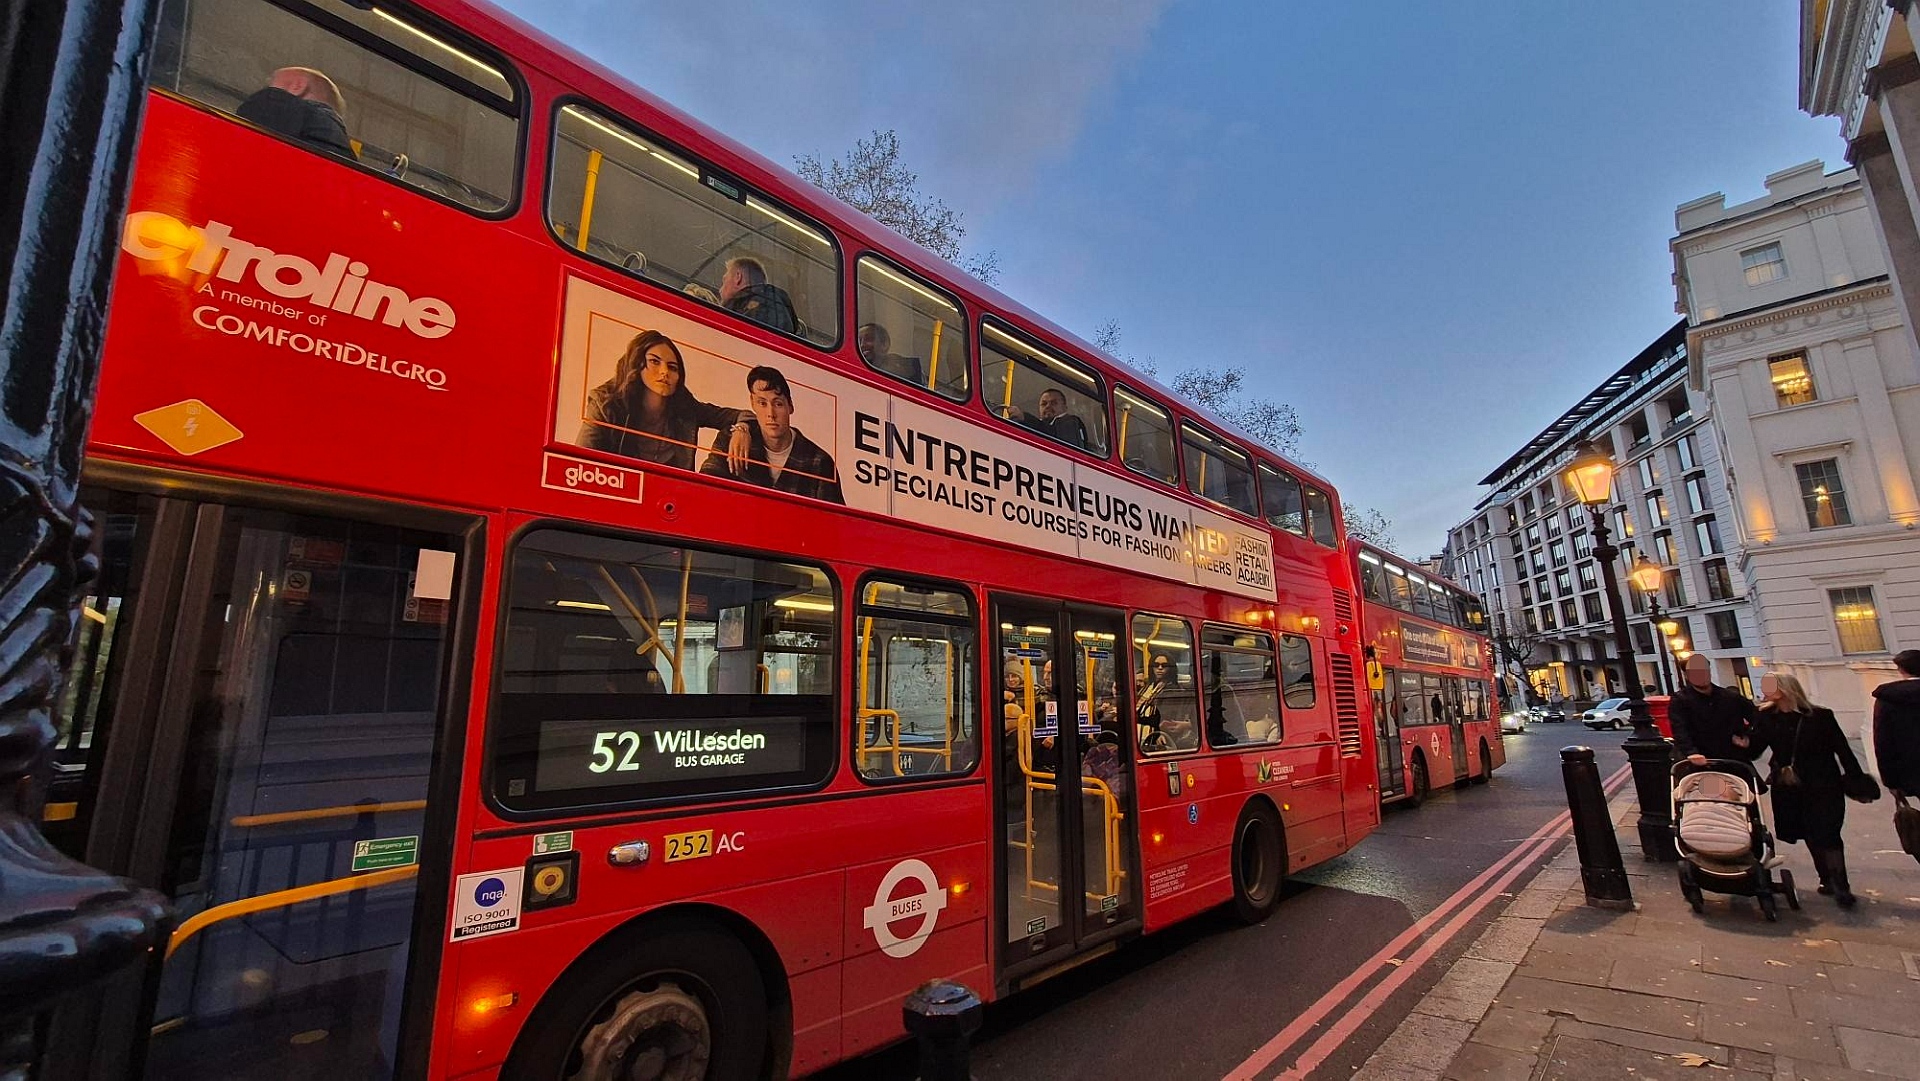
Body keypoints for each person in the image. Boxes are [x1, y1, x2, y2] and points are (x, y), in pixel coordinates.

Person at [1752, 673, 1866, 906]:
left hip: (1823, 782)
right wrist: (1743, 743)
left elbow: (1842, 749)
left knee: (1829, 832)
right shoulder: (1766, 717)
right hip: (1789, 785)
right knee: (1810, 833)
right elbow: (1756, 749)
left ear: (1785, 689)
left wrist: (1855, 778)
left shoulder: (1821, 716)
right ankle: (1826, 878)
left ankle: (1841, 885)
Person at [579, 331, 750, 471]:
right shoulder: (605, 404)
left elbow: (743, 414)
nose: (664, 372)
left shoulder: (686, 407)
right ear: (636, 363)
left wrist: (742, 429)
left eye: (672, 367)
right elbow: (580, 465)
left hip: (670, 501)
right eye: (654, 361)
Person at [698, 366, 843, 503]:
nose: (771, 414)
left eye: (778, 404)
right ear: (752, 404)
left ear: (790, 406)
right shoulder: (729, 440)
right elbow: (703, 492)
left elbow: (834, 524)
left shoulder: (820, 462)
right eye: (762, 403)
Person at [235, 67, 357, 159]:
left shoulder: (275, 101)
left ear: (298, 86)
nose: (265, 89)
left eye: (270, 83)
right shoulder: (348, 155)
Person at [1669, 654, 1757, 765]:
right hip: (1703, 761)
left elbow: (1757, 717)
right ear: (1687, 676)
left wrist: (1748, 738)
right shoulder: (1680, 700)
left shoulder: (1731, 697)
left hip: (1734, 759)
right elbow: (1680, 729)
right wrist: (1691, 752)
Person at [1875, 650, 1920, 801]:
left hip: (1911, 768)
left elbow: (1883, 742)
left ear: (1901, 669)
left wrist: (1890, 781)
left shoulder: (1888, 697)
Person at [719, 256, 798, 334]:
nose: (720, 290)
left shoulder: (759, 312)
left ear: (738, 277)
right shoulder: (774, 308)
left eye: (724, 281)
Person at [1136, 654, 1194, 752]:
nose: (1159, 668)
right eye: (1156, 665)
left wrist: (1159, 733)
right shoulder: (1148, 687)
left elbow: (1169, 718)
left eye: (1164, 665)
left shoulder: (1173, 690)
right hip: (1140, 733)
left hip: (1159, 737)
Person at [1006, 388, 1090, 450]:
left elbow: (1053, 436)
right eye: (1044, 404)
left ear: (1064, 407)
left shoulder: (1071, 422)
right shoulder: (1039, 426)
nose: (1048, 406)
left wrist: (1024, 417)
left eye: (1054, 403)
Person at [856, 323, 925, 386]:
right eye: (859, 341)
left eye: (869, 339)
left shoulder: (910, 371)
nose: (862, 345)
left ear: (885, 344)